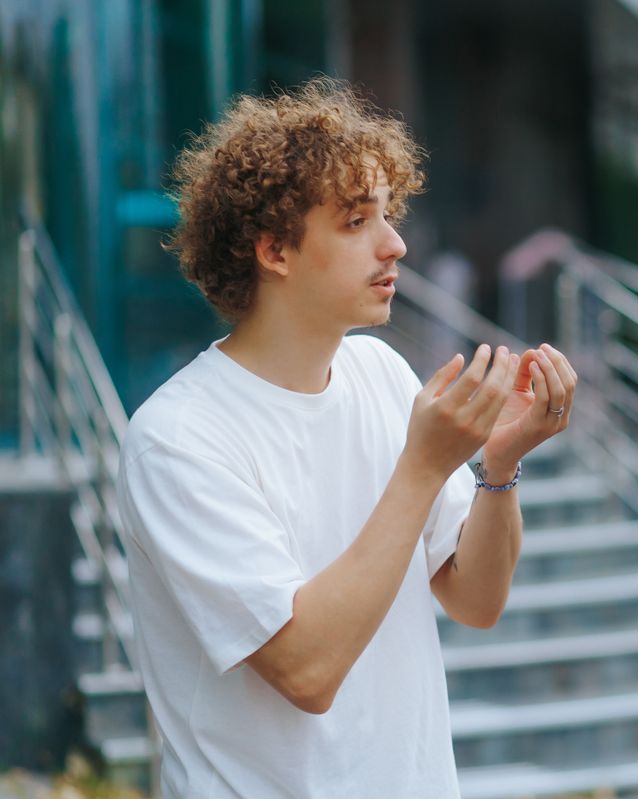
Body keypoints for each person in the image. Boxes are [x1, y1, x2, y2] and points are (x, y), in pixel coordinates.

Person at [116, 77, 577, 798]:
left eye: (389, 217)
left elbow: (475, 599)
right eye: (358, 221)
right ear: (275, 250)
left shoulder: (379, 372)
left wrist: (498, 463)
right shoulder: (177, 440)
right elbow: (307, 669)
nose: (395, 245)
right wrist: (423, 468)